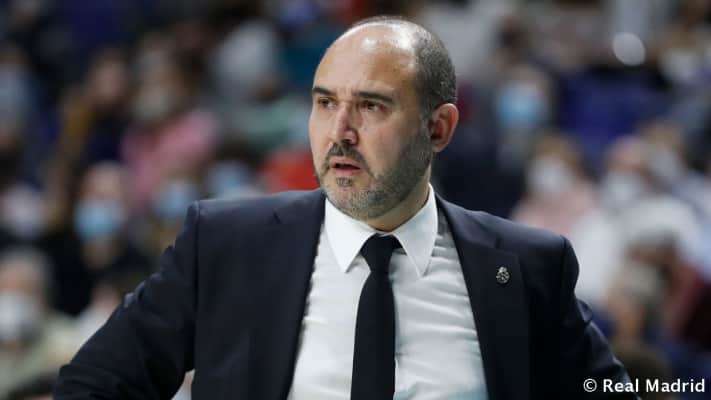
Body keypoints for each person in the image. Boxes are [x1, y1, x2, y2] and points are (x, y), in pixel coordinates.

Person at [55, 16, 636, 399]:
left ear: (438, 128)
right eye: (325, 103)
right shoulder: (227, 244)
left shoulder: (523, 267)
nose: (340, 132)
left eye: (372, 106)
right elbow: (94, 384)